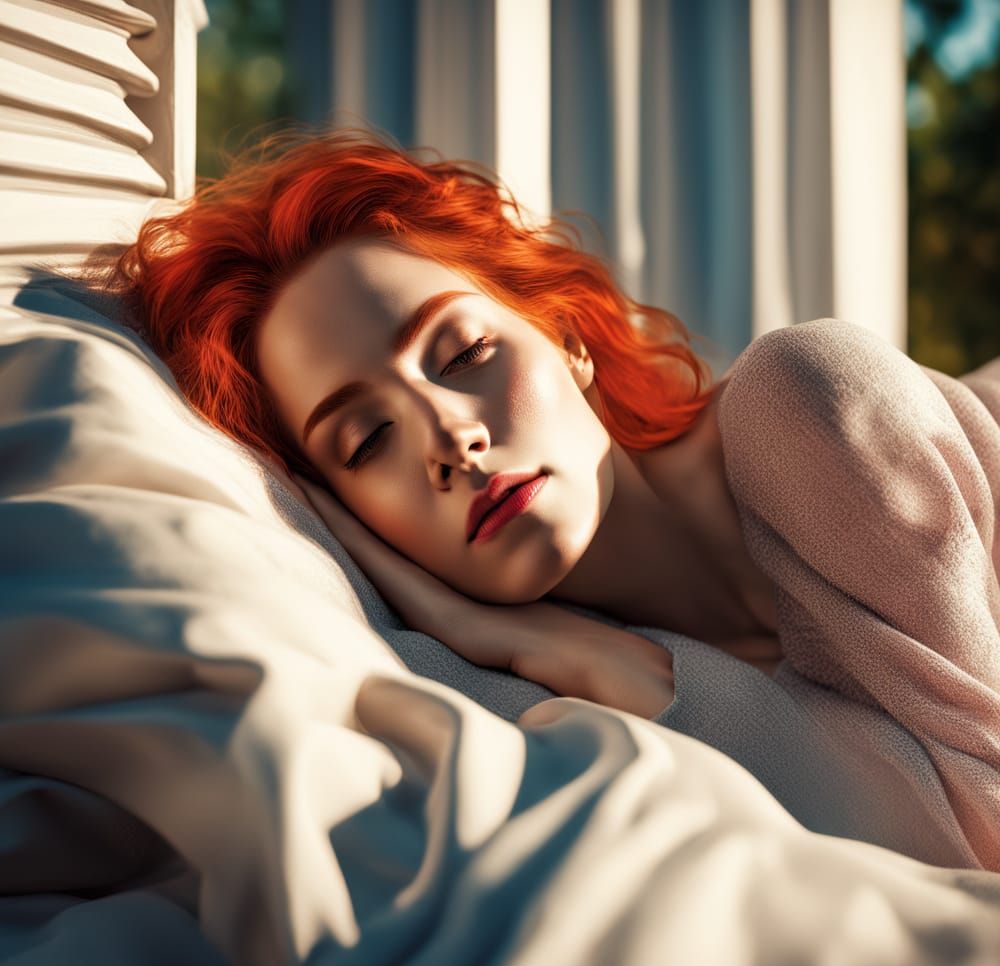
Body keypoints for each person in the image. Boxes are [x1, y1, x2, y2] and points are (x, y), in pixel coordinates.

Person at [83, 129, 794, 717]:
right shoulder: (511, 691)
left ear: (566, 335)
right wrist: (529, 644)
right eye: (367, 441)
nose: (451, 439)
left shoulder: (805, 409)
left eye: (464, 353)